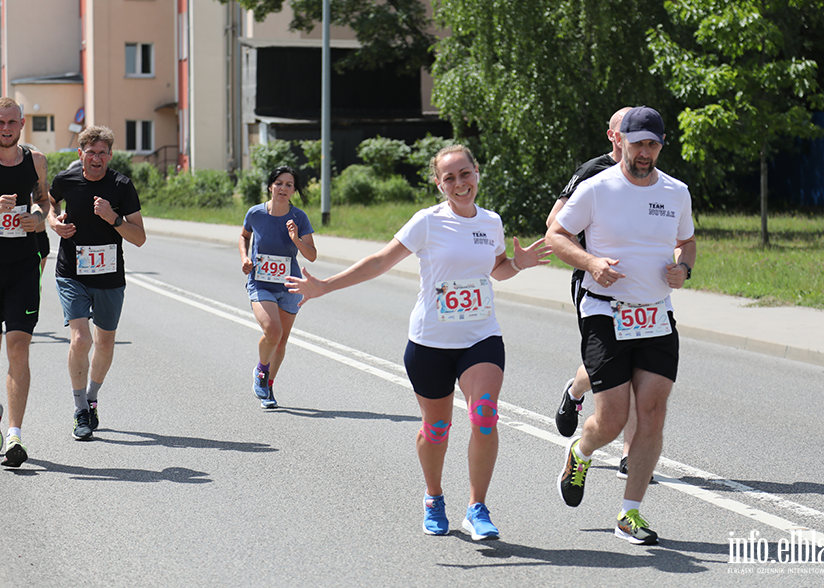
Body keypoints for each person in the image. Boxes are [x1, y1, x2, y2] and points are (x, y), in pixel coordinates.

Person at [285, 145, 551, 541]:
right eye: (450, 178)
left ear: (477, 171)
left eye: (465, 174)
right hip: (430, 341)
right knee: (437, 428)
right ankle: (433, 496)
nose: (460, 184)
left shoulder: (491, 221)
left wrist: (518, 264)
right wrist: (324, 286)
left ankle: (477, 508)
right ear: (439, 184)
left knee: (483, 414)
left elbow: (497, 269)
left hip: (481, 336)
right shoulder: (427, 222)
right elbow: (379, 261)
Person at [546, 106, 696, 545]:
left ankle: (630, 514)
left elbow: (686, 240)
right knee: (612, 421)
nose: (645, 152)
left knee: (652, 414)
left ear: (661, 145)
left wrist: (683, 268)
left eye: (653, 144)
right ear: (621, 142)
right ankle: (581, 451)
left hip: (655, 313)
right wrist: (591, 261)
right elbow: (556, 234)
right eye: (638, 144)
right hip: (605, 312)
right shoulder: (596, 188)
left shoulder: (676, 191)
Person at [546, 107, 646, 481]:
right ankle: (575, 391)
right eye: (627, 132)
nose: (636, 139)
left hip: (641, 290)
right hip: (596, 284)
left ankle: (629, 456)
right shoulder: (593, 172)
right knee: (612, 364)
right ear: (613, 137)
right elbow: (554, 225)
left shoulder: (651, 177)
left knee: (637, 367)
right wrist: (590, 260)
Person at [48, 126, 146, 441]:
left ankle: (92, 398)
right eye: (91, 152)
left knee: (104, 343)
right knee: (81, 340)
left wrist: (113, 218)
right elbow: (50, 205)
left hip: (109, 277)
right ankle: (79, 410)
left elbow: (140, 238)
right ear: (81, 155)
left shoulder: (121, 186)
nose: (96, 158)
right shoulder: (66, 180)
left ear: (110, 156)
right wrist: (54, 222)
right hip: (71, 273)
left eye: (103, 152)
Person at [0, 97, 50, 467]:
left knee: (19, 347)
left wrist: (38, 217)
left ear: (22, 123)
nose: (6, 128)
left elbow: (43, 200)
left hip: (23, 265)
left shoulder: (35, 160)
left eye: (12, 122)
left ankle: (15, 436)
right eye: (0, 123)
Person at [239, 165, 317, 408]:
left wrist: (296, 239)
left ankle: (268, 387)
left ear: (294, 190)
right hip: (260, 282)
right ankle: (261, 372)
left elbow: (312, 255)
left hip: (289, 285)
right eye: (279, 183)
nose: (283, 188)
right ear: (271, 186)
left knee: (281, 341)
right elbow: (244, 237)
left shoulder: (299, 217)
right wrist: (244, 258)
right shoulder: (256, 213)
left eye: (289, 185)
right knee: (272, 331)